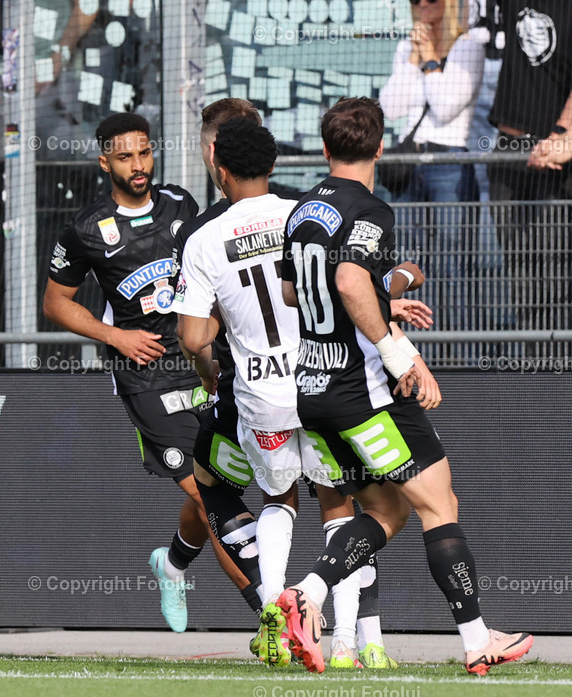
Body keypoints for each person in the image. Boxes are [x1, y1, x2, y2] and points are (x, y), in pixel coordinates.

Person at [276, 97, 532, 675]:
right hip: (361, 388)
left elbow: (295, 293)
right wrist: (398, 355)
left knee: (386, 511)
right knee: (440, 505)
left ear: (324, 149)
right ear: (381, 147)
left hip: (312, 388)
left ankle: (307, 594)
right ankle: (475, 640)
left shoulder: (300, 211)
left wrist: (382, 293)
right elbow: (345, 278)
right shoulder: (372, 210)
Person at [175, 116, 424, 669]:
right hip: (321, 376)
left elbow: (194, 337)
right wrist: (397, 292)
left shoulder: (201, 236)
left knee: (277, 501)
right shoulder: (305, 212)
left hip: (259, 391)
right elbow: (349, 286)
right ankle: (349, 646)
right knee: (342, 506)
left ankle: (272, 615)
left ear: (218, 166)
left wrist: (208, 366)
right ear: (275, 163)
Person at [43, 112, 265, 634]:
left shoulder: (180, 205)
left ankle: (172, 565)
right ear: (104, 162)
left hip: (200, 365)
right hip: (144, 378)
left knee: (213, 484)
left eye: (144, 153)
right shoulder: (84, 231)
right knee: (211, 496)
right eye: (125, 157)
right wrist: (116, 336)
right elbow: (56, 304)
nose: (139, 165)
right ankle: (270, 612)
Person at [379, 0, 483, 364]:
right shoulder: (407, 46)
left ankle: (464, 356)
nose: (423, 4)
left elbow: (446, 106)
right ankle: (421, 355)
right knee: (409, 263)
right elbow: (390, 107)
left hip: (449, 162)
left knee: (455, 263)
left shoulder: (468, 45)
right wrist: (413, 59)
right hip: (410, 164)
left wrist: (430, 60)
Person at [487, 0, 572, 347]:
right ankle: (533, 367)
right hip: (508, 150)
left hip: (555, 154)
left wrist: (564, 134)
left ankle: (559, 370)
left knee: (555, 270)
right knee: (520, 269)